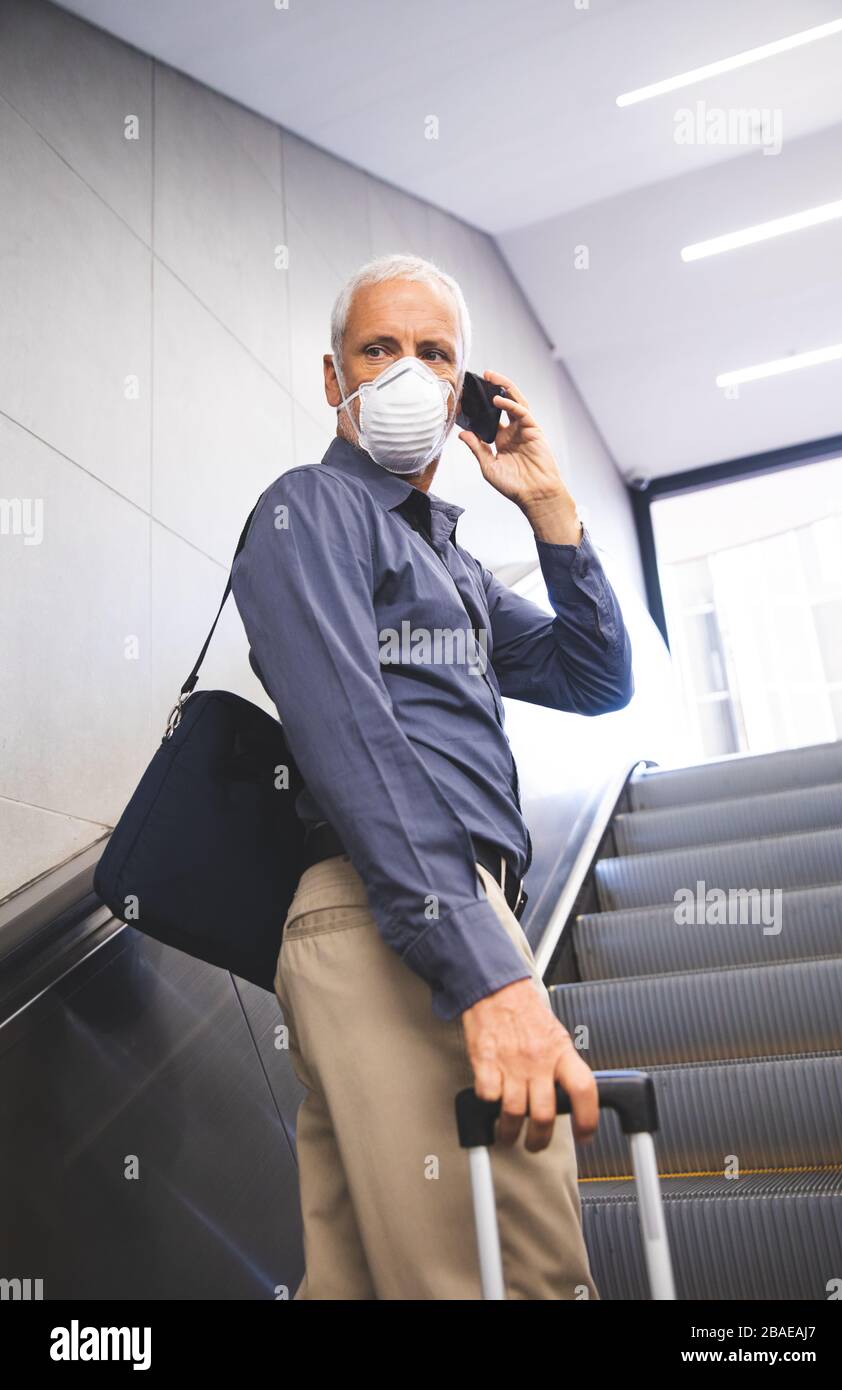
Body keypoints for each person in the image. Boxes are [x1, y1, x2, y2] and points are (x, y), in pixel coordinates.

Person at [231, 253, 634, 1299]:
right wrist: (487, 969)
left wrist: (547, 507)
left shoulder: (449, 563)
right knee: (510, 1274)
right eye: (379, 349)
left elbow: (593, 677)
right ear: (334, 380)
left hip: (424, 919)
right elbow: (348, 733)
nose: (406, 372)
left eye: (433, 354)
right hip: (398, 917)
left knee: (371, 1281)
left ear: (461, 392)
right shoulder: (310, 509)